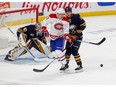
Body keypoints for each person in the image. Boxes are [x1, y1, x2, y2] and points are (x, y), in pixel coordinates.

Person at [60, 6, 86, 72]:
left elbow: (84, 25)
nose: (68, 13)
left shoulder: (77, 16)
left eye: (69, 12)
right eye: (66, 12)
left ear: (71, 12)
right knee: (67, 51)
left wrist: (78, 32)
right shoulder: (64, 19)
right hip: (69, 38)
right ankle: (66, 65)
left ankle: (80, 65)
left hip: (77, 37)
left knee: (74, 51)